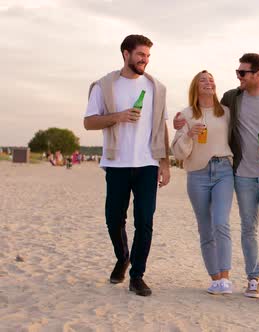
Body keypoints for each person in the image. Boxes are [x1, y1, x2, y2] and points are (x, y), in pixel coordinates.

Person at [176, 53, 259, 300]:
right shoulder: (233, 99)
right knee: (243, 227)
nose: (238, 76)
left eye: (242, 73)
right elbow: (195, 124)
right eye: (237, 73)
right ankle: (249, 279)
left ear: (258, 75)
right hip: (239, 174)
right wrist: (184, 125)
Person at [83, 34, 171, 297]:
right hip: (116, 162)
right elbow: (89, 122)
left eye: (147, 56)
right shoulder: (104, 85)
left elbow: (161, 128)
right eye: (140, 55)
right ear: (126, 53)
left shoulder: (157, 87)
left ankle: (137, 276)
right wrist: (118, 117)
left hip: (147, 163)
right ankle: (123, 257)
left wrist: (165, 164)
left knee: (144, 221)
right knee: (113, 219)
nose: (144, 60)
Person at [171, 70, 235, 295]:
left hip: (224, 171)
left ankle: (226, 277)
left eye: (211, 79)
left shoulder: (226, 112)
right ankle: (215, 278)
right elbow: (178, 152)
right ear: (195, 87)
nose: (209, 82)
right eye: (203, 80)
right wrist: (188, 134)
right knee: (205, 227)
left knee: (221, 222)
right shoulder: (186, 114)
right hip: (197, 173)